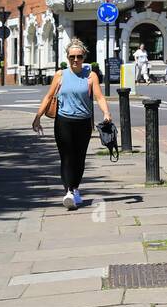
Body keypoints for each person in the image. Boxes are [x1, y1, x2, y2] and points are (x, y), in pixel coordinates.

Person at [32, 40, 113, 209]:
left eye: (79, 56)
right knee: (67, 156)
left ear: (84, 57)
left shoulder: (91, 76)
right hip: (63, 122)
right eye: (72, 57)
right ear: (67, 57)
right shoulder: (60, 75)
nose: (75, 60)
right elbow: (48, 97)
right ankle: (69, 191)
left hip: (83, 123)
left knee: (80, 157)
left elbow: (99, 97)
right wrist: (38, 117)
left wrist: (106, 113)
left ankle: (75, 188)